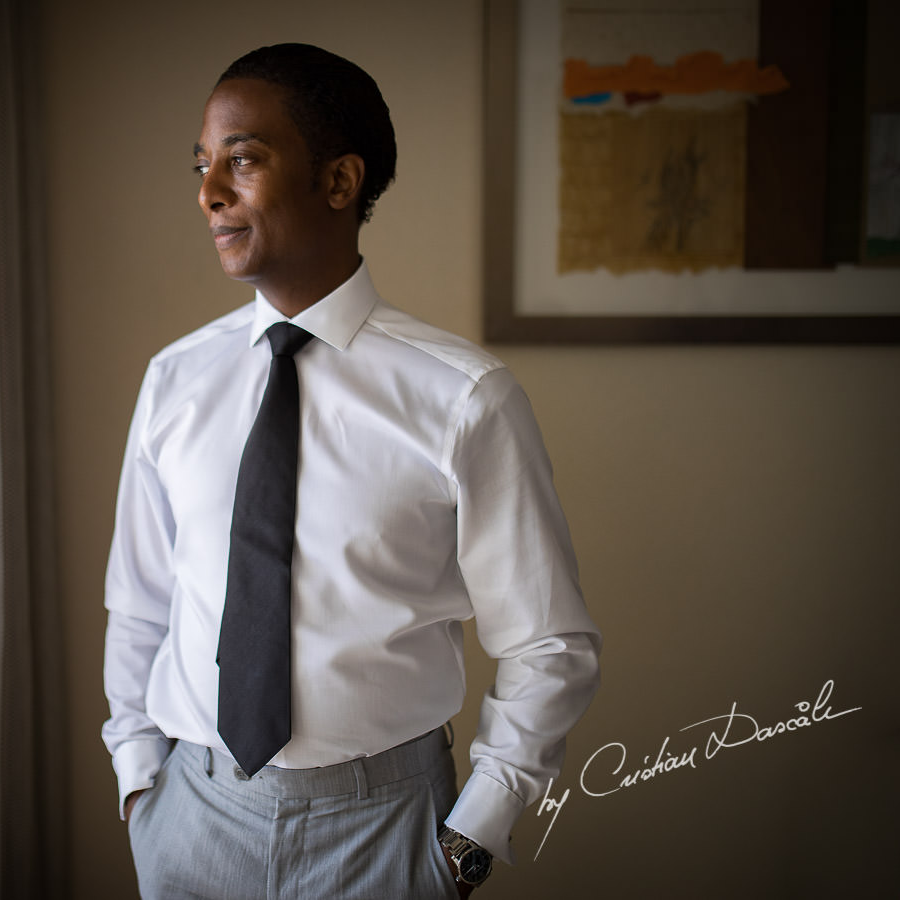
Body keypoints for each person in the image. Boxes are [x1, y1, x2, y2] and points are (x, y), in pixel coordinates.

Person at [102, 43, 600, 899]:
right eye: (202, 164)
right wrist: (143, 784)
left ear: (338, 183)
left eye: (243, 159)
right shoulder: (174, 381)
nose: (208, 192)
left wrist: (467, 842)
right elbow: (141, 602)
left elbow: (550, 643)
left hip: (386, 835)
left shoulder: (465, 399)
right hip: (191, 821)